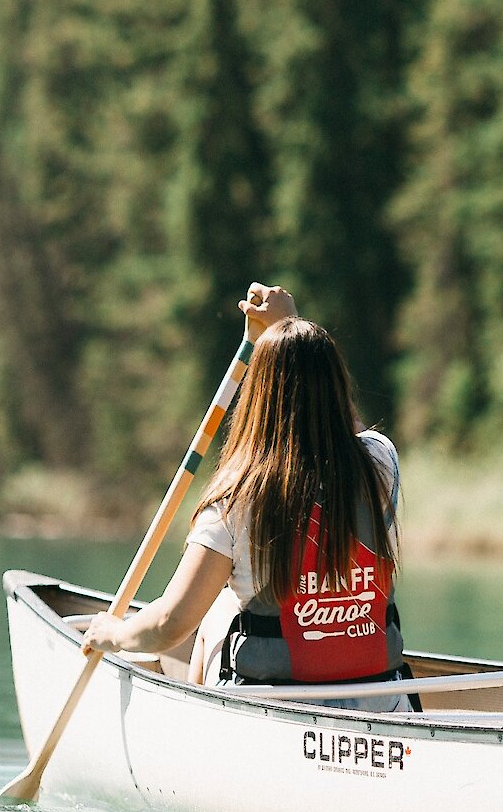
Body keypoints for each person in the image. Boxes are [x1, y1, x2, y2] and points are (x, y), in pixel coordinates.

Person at [81, 283, 414, 713]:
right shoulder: (379, 463)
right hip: (379, 704)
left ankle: (196, 733)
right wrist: (290, 328)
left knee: (218, 609)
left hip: (272, 711)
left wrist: (112, 633)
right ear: (338, 388)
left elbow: (169, 623)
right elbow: (348, 427)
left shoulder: (235, 498)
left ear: (258, 396)